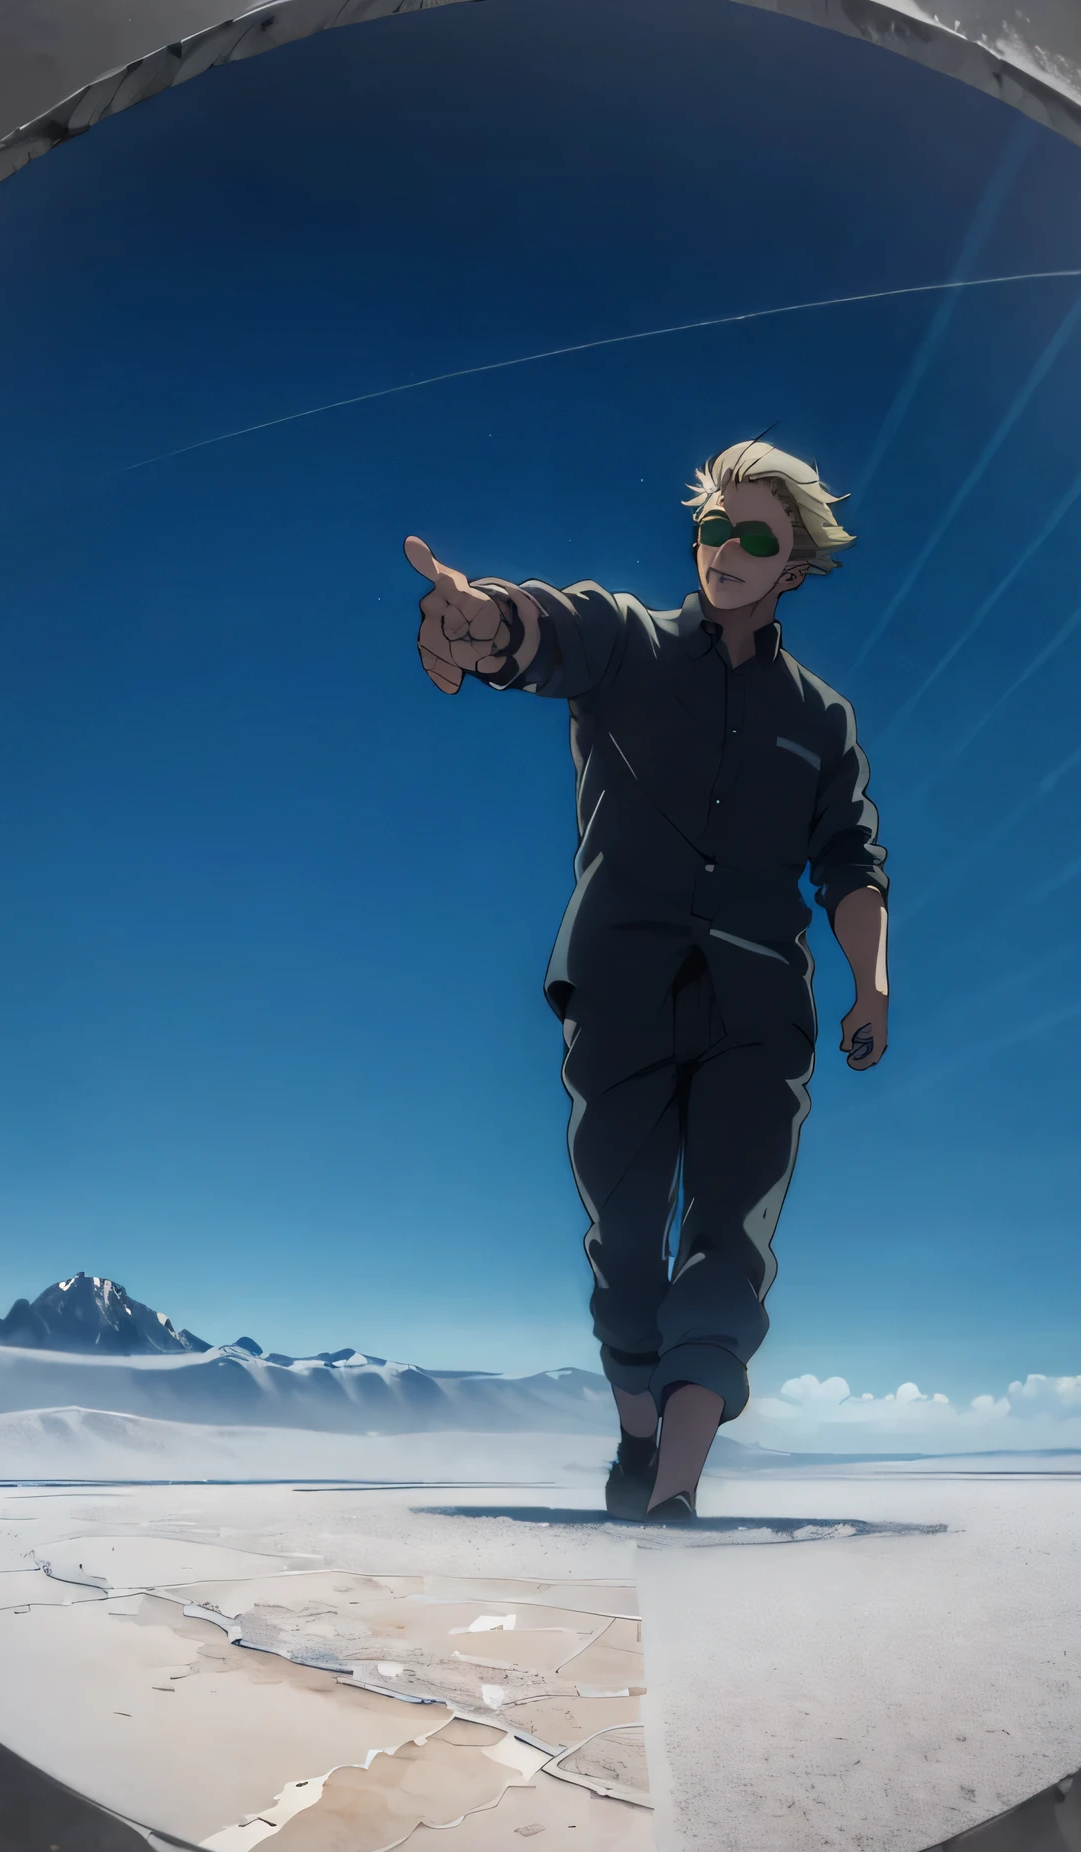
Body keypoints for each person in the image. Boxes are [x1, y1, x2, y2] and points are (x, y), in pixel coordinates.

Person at [405, 440, 889, 1522]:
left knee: (729, 1244)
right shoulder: (629, 648)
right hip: (621, 991)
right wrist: (481, 624)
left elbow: (851, 861)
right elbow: (547, 629)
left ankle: (673, 1495)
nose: (727, 549)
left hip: (758, 1015)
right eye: (715, 527)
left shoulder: (820, 724)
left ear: (795, 563)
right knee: (626, 1248)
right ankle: (637, 1443)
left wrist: (874, 985)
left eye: (756, 535)